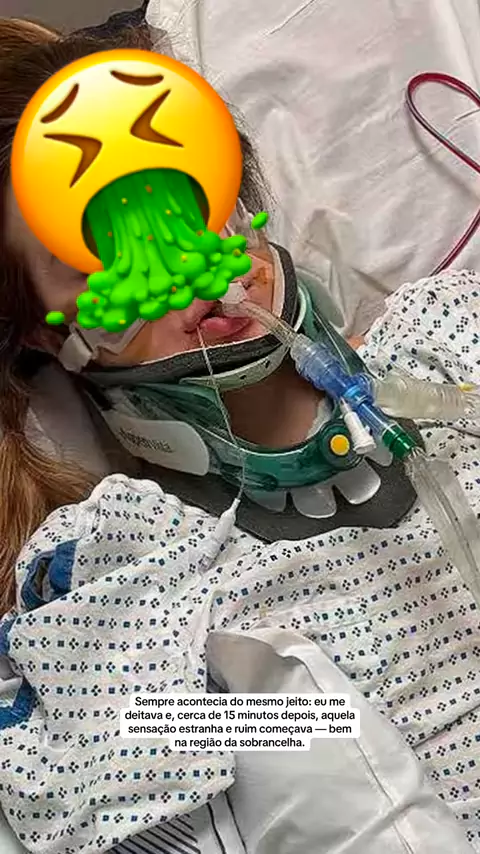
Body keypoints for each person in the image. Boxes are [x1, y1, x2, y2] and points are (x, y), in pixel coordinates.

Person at [0, 17, 479, 851]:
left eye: (191, 203)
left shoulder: (453, 339)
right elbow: (89, 790)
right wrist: (293, 723)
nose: (189, 268)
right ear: (47, 333)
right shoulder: (125, 567)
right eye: (102, 255)